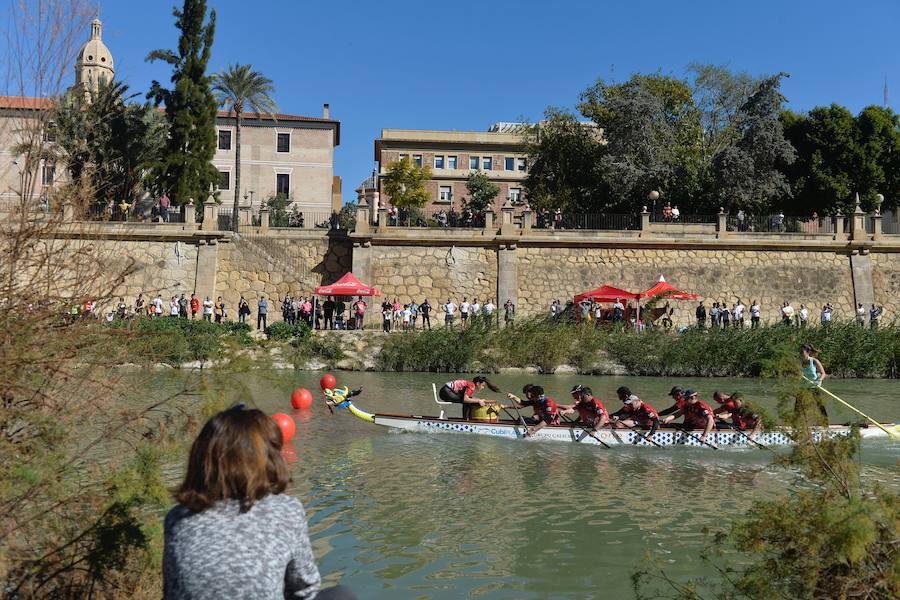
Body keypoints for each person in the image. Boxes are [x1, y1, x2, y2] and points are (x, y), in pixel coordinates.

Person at [163, 406, 355, 600]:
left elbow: (171, 591)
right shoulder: (286, 510)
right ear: (268, 457)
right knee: (342, 595)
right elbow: (304, 590)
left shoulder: (177, 517)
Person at [800, 344, 829, 421]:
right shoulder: (799, 362)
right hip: (803, 387)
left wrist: (819, 380)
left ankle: (825, 424)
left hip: (814, 387)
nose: (801, 354)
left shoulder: (814, 361)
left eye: (802, 352)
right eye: (800, 352)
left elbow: (823, 374)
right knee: (798, 407)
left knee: (820, 406)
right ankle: (797, 425)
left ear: (807, 352)